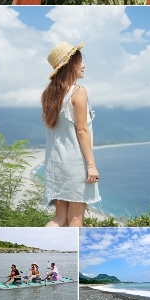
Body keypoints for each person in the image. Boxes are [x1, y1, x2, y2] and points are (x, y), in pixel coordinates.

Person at [41, 41, 100, 228]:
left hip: (55, 165)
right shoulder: (79, 92)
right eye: (79, 61)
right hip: (75, 165)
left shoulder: (49, 94)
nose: (83, 65)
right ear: (69, 65)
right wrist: (91, 166)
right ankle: (79, 256)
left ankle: (46, 246)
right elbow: (82, 131)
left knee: (60, 218)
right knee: (76, 220)